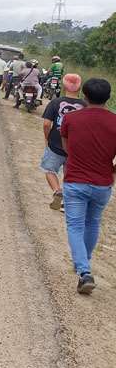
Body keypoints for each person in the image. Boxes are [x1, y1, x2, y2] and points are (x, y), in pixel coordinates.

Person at [59, 78, 116, 294]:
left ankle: (84, 271)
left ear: (85, 95)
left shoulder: (71, 119)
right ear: (108, 98)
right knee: (92, 223)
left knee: (75, 226)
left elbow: (67, 148)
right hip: (103, 183)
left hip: (75, 180)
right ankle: (84, 262)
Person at [40, 73, 85, 211]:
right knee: (69, 174)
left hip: (55, 144)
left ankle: (57, 190)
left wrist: (47, 138)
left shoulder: (55, 102)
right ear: (80, 88)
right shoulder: (85, 105)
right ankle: (66, 202)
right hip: (75, 148)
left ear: (64, 86)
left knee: (49, 170)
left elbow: (47, 124)